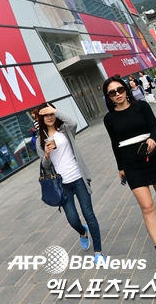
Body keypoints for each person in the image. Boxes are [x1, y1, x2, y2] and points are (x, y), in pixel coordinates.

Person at [102, 75, 156, 268]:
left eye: (120, 90)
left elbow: (155, 127)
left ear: (126, 90)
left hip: (152, 158)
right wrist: (120, 167)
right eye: (112, 92)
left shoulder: (141, 106)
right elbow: (115, 144)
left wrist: (152, 139)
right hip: (131, 165)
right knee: (147, 206)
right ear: (108, 96)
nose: (117, 94)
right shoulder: (109, 118)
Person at [36, 102, 105, 263]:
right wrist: (46, 155)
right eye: (45, 115)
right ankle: (82, 232)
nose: (49, 117)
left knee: (89, 214)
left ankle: (98, 252)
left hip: (78, 178)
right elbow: (44, 167)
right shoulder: (40, 140)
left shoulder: (65, 130)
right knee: (73, 219)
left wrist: (55, 111)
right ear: (41, 118)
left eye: (51, 113)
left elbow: (72, 122)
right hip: (62, 185)